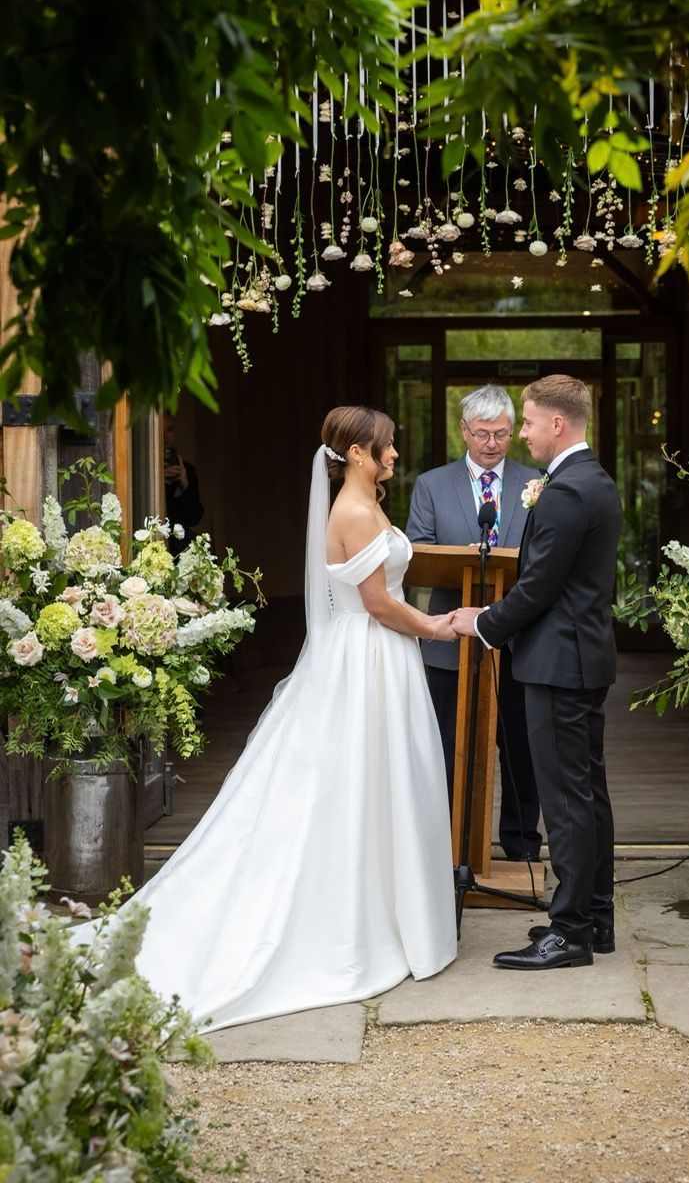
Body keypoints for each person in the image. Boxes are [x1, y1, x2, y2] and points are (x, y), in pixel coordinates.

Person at [74, 407, 459, 1029]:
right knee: (354, 781)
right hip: (366, 658)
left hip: (375, 660)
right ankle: (357, 919)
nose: (393, 455)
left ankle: (386, 905)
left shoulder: (368, 503)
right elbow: (380, 605)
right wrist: (438, 627)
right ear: (356, 454)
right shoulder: (357, 513)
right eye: (385, 448)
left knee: (370, 780)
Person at [452, 375, 622, 971]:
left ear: (557, 423)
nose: (519, 434)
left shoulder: (566, 491)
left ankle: (570, 931)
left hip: (557, 663)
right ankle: (595, 917)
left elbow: (540, 586)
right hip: (583, 657)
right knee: (587, 794)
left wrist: (482, 622)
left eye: (525, 422)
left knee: (567, 800)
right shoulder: (593, 481)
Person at [405, 385, 542, 862]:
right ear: (463, 431)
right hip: (451, 636)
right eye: (482, 434)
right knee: (448, 745)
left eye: (502, 434)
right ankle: (449, 844)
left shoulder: (537, 481)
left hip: (518, 639)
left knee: (521, 747)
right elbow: (417, 553)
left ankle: (521, 842)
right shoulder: (431, 484)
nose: (491, 443)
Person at [163, 412, 204, 556]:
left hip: (181, 548)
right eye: (161, 430)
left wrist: (184, 482)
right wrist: (161, 482)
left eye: (170, 429)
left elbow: (194, 517)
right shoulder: (146, 471)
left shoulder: (187, 470)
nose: (165, 435)